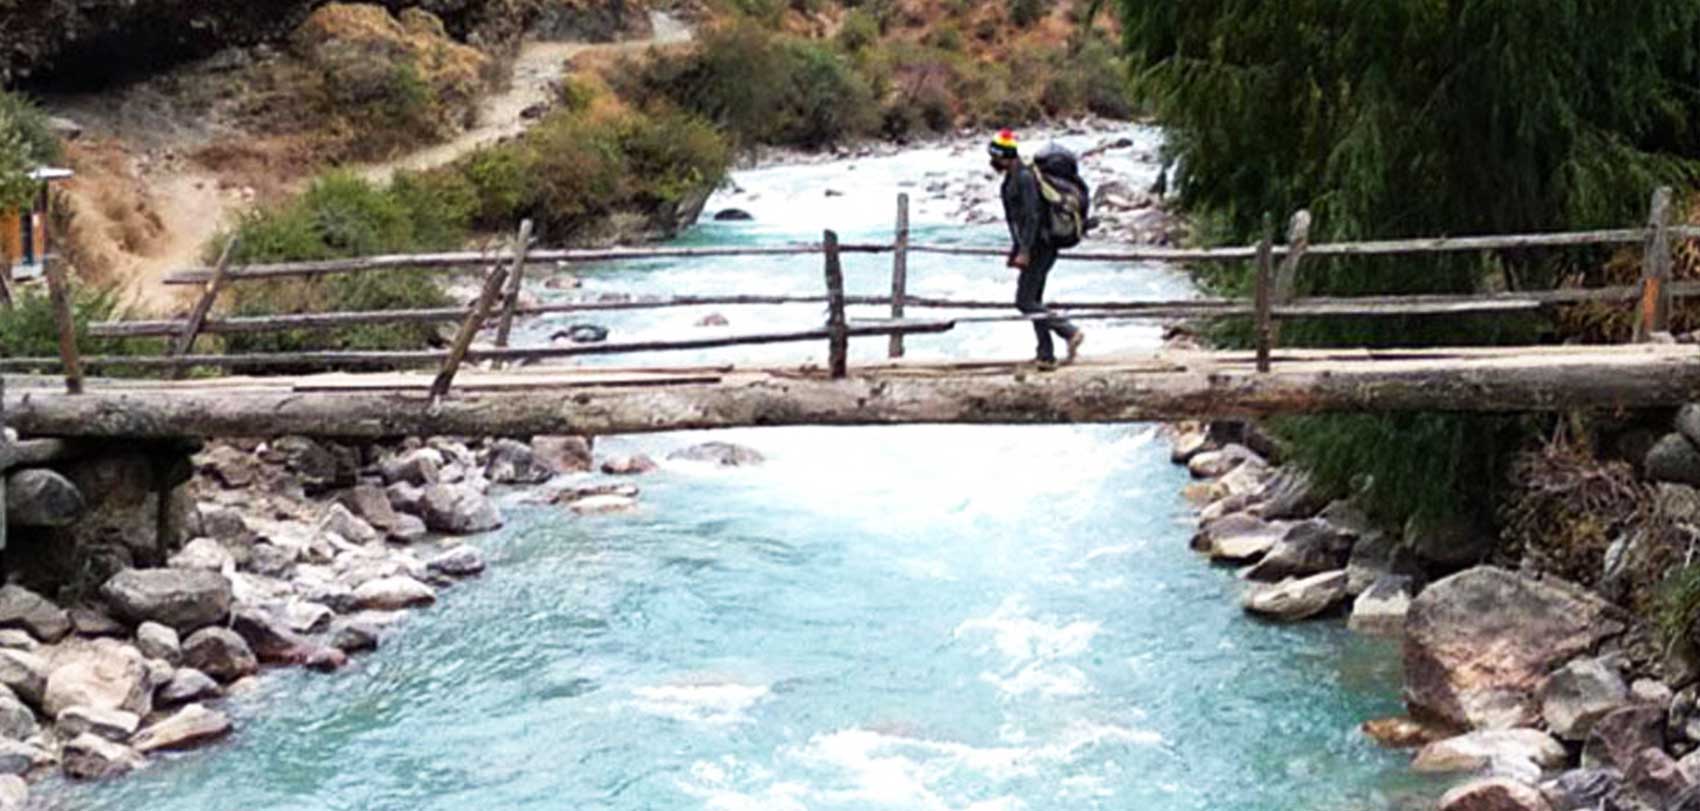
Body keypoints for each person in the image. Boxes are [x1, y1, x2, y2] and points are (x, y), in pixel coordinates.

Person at [988, 129, 1083, 369]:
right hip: (1036, 245)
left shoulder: (1024, 178)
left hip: (1042, 246)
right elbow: (1017, 221)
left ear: (1004, 157)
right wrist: (1016, 248)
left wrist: (1025, 250)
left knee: (1025, 301)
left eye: (995, 157)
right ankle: (1046, 355)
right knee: (1035, 299)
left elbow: (1031, 216)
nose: (992, 163)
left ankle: (1069, 331)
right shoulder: (1015, 176)